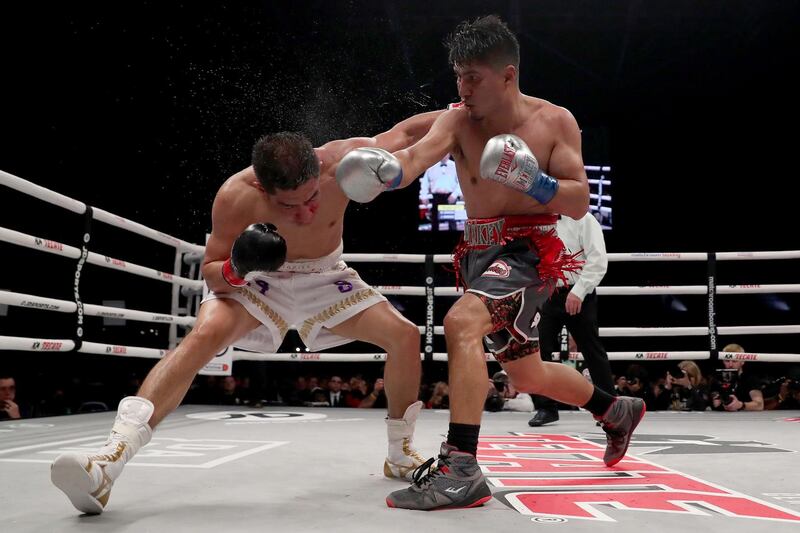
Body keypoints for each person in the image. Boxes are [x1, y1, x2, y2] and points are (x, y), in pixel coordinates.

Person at [50, 109, 444, 515]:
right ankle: (108, 463)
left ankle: (400, 453)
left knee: (405, 335)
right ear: (261, 185)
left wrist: (459, 111)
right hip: (258, 280)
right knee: (204, 335)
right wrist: (237, 267)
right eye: (291, 206)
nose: (307, 212)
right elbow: (211, 271)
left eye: (311, 198)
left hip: (324, 276)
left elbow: (405, 132)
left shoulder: (344, 161)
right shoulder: (235, 195)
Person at [336, 15, 645, 510]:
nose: (463, 87)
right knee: (527, 376)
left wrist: (534, 183)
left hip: (529, 251)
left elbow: (580, 200)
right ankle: (615, 410)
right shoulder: (458, 120)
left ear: (508, 74)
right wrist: (386, 175)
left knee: (460, 324)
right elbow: (416, 159)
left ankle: (461, 467)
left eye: (473, 76)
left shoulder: (553, 121)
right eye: (458, 75)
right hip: (478, 253)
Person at [528, 212, 615, 427]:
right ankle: (546, 407)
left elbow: (597, 259)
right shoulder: (538, 221)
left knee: (591, 350)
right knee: (539, 349)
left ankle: (609, 409)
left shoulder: (585, 220)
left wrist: (579, 291)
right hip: (546, 293)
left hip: (578, 293)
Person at [711, 343, 764, 412]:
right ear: (723, 361)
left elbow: (759, 405)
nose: (730, 365)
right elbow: (714, 404)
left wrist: (740, 405)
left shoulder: (750, 379)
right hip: (720, 419)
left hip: (744, 419)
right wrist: (716, 401)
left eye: (734, 361)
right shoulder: (717, 379)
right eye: (727, 361)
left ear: (742, 361)